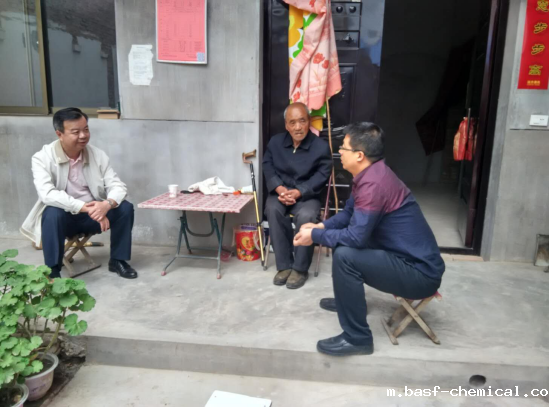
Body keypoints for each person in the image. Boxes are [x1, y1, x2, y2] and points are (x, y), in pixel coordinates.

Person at [294, 122, 445, 356]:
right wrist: (320, 226)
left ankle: (358, 338)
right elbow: (348, 214)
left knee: (345, 255)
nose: (339, 152)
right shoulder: (371, 173)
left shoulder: (374, 184)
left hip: (420, 273)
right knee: (342, 245)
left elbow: (355, 237)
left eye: (343, 148)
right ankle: (350, 302)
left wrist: (314, 236)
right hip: (401, 257)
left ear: (359, 155)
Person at [21, 108, 138, 280]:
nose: (83, 135)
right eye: (76, 132)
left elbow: (117, 186)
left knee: (124, 208)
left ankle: (117, 260)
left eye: (86, 129)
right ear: (59, 134)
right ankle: (52, 271)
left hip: (93, 216)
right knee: (52, 213)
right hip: (65, 218)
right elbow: (47, 194)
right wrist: (85, 207)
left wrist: (106, 205)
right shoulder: (42, 158)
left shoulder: (98, 155)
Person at [263, 103, 332, 289]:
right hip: (280, 193)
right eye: (292, 122)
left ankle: (300, 269)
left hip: (307, 196)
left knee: (307, 216)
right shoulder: (275, 143)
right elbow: (267, 165)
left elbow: (322, 174)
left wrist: (300, 191)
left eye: (302, 121)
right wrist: (279, 189)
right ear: (286, 125)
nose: (298, 127)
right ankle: (284, 265)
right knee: (273, 209)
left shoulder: (320, 147)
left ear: (309, 121)